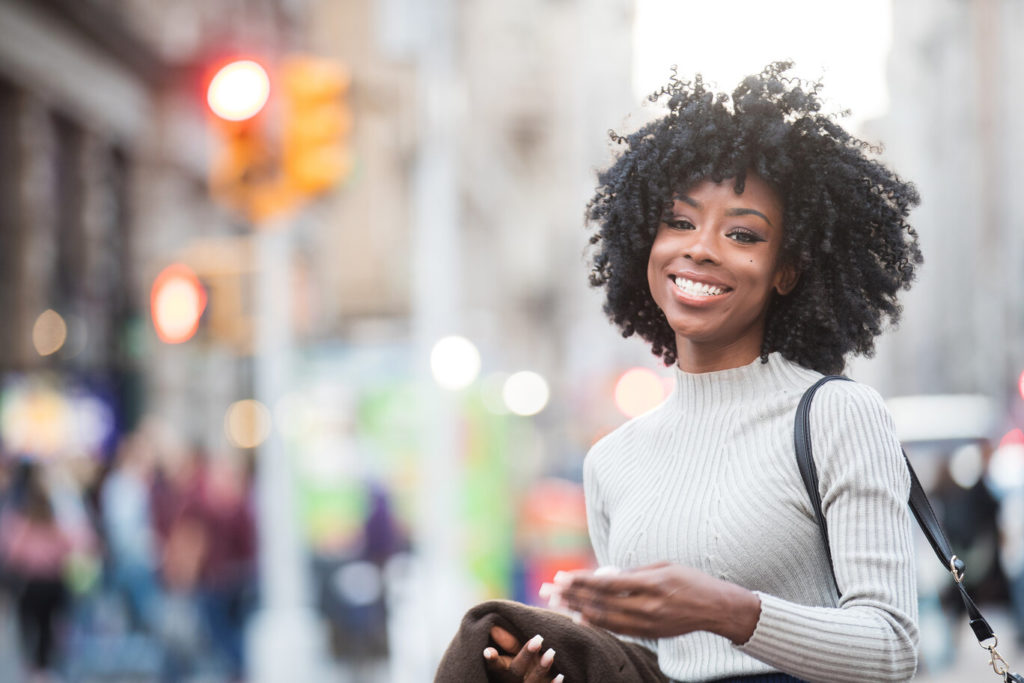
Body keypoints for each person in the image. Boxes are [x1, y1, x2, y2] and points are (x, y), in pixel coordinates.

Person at [435, 62, 922, 682]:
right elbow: (638, 668)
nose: (700, 247)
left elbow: (892, 649)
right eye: (681, 222)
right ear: (645, 238)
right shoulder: (612, 461)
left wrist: (730, 611)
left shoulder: (835, 414)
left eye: (743, 234)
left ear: (787, 271)